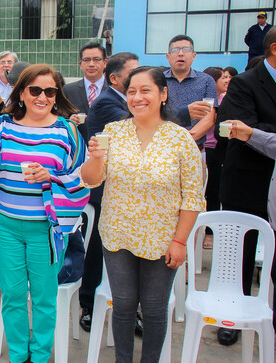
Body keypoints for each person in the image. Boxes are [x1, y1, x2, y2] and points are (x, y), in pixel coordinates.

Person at [0, 64, 88, 363]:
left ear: (57, 95)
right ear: (22, 93)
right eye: (35, 90)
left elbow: (81, 178)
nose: (42, 96)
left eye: (50, 91)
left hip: (47, 229)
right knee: (13, 298)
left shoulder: (67, 130)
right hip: (7, 227)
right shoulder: (4, 125)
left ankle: (40, 357)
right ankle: (18, 356)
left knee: (44, 298)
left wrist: (51, 177)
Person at [80, 66, 205, 362]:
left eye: (145, 90)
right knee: (122, 305)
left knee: (153, 307)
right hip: (118, 233)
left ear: (163, 94)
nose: (137, 97)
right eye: (132, 91)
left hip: (162, 238)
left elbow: (193, 198)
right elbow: (90, 178)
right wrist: (96, 157)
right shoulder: (113, 132)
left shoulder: (180, 139)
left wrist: (180, 241)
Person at [215, 26, 276, 345]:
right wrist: (256, 131)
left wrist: (258, 130)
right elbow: (236, 128)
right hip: (248, 179)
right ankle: (232, 316)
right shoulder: (244, 83)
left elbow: (253, 128)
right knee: (239, 253)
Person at [79, 52, 139, 333]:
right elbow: (136, 129)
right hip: (104, 191)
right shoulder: (107, 103)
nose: (139, 77)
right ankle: (89, 304)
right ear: (115, 78)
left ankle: (127, 306)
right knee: (98, 251)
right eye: (133, 72)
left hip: (129, 193)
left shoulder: (126, 100)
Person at [163, 35, 217, 147]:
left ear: (194, 55)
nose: (181, 53)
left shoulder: (206, 80)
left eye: (186, 49)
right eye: (175, 50)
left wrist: (187, 139)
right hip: (163, 144)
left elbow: (209, 117)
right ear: (168, 56)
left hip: (195, 145)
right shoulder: (158, 80)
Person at [201, 67, 228, 247]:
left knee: (214, 191)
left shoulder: (225, 99)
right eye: (223, 77)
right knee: (208, 191)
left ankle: (210, 231)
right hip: (206, 149)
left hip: (217, 149)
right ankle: (207, 232)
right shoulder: (206, 102)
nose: (226, 80)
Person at [64, 42, 108, 141]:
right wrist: (69, 121)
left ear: (105, 63)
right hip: (79, 147)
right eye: (86, 60)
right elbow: (60, 119)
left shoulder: (113, 90)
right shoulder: (68, 90)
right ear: (80, 64)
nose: (91, 64)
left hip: (107, 146)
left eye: (96, 59)